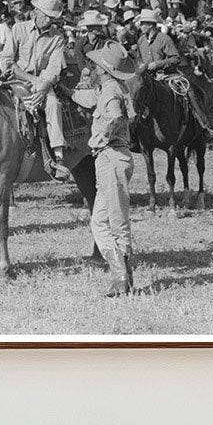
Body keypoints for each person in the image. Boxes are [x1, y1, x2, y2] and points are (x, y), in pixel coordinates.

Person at [86, 40, 139, 297]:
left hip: (112, 157)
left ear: (104, 69)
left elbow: (116, 116)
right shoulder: (110, 87)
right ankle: (121, 273)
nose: (91, 69)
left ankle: (122, 278)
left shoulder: (109, 91)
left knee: (117, 221)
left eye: (95, 66)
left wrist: (102, 137)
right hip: (111, 159)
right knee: (99, 221)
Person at [0, 0, 68, 165]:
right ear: (36, 11)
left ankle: (58, 151)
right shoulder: (18, 29)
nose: (48, 19)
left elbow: (54, 68)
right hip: (17, 78)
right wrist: (28, 78)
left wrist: (43, 86)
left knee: (53, 104)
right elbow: (6, 59)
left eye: (51, 16)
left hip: (43, 82)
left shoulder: (57, 38)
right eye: (45, 14)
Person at [139, 9, 213, 141]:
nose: (140, 26)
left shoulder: (164, 39)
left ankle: (203, 126)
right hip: (150, 78)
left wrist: (157, 64)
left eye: (143, 23)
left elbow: (175, 59)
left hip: (167, 76)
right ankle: (136, 132)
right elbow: (140, 59)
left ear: (151, 25)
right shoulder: (141, 41)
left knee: (189, 91)